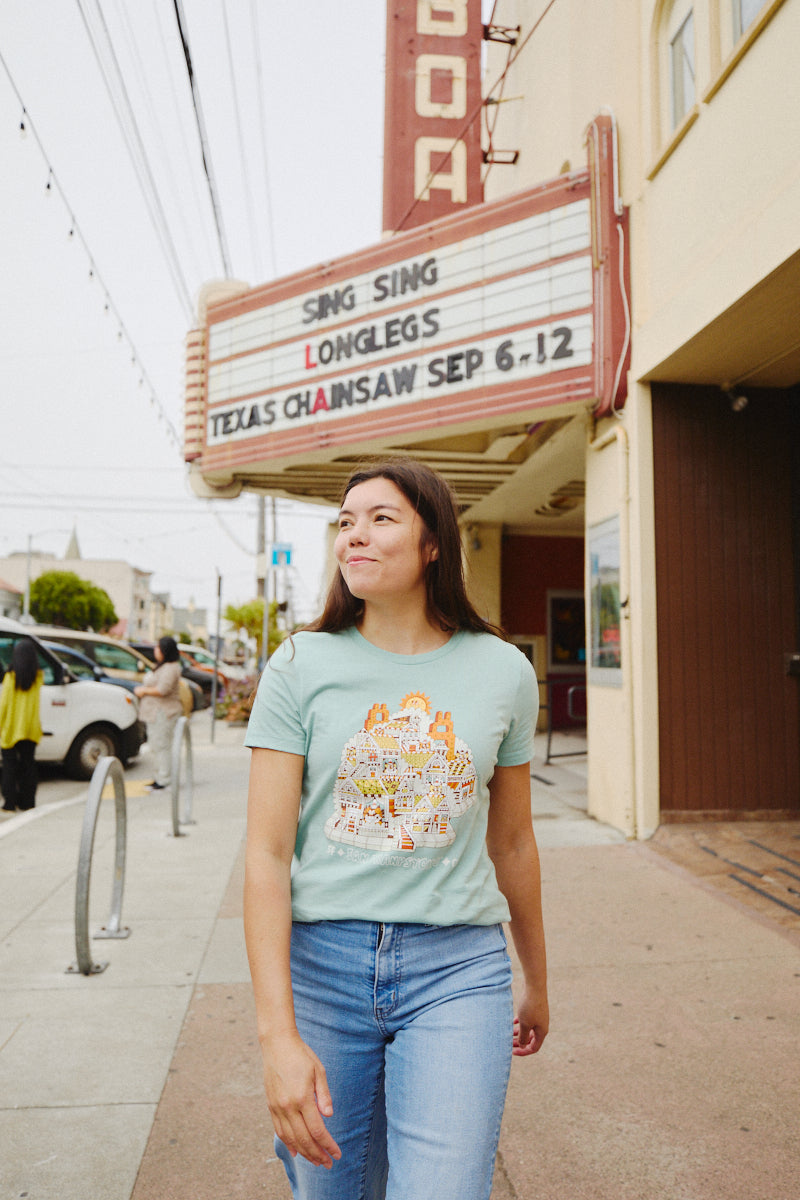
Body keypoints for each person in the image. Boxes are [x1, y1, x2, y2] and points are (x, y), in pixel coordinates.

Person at [244, 458, 549, 1200]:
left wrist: (537, 977)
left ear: (433, 542)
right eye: (346, 521)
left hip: (458, 969)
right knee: (333, 1189)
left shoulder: (503, 670)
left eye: (381, 518)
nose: (356, 535)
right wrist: (277, 1035)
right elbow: (265, 851)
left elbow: (511, 842)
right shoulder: (299, 664)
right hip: (323, 963)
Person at [134, 635, 183, 792]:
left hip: (164, 713)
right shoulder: (162, 666)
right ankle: (159, 777)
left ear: (165, 650)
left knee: (162, 746)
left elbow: (163, 690)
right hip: (155, 713)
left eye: (158, 647)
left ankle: (164, 779)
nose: (155, 650)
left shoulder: (171, 667)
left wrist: (143, 690)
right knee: (155, 746)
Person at [0, 637, 44, 812]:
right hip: (30, 729)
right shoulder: (38, 679)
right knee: (28, 766)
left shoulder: (10, 678)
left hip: (11, 728)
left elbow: (4, 705)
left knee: (9, 767)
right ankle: (28, 802)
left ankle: (9, 803)